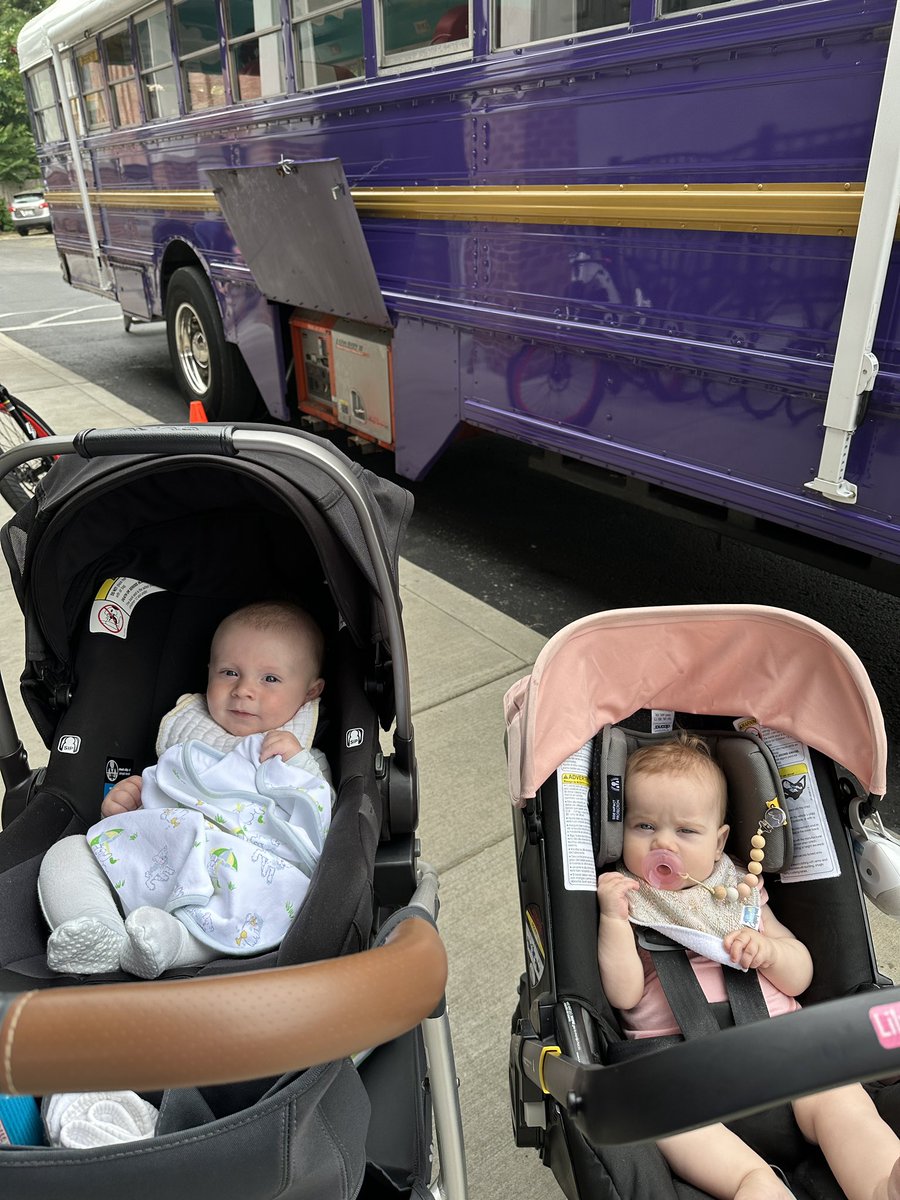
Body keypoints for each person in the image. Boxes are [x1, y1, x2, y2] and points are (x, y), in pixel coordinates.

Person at [596, 735, 900, 1200]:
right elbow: (623, 994)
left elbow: (800, 975)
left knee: (844, 1105)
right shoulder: (628, 898)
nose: (662, 842)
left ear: (719, 842)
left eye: (686, 831)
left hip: (783, 1051)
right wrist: (614, 921)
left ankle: (881, 1185)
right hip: (679, 1072)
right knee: (654, 1109)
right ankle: (756, 1185)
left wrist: (770, 951)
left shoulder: (740, 891)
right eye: (643, 825)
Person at [38, 601, 333, 980]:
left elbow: (322, 827)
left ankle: (172, 943)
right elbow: (159, 795)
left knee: (276, 897)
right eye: (229, 672)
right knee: (68, 853)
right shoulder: (185, 735)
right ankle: (98, 928)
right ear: (208, 672)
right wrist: (127, 804)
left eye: (270, 679)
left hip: (240, 875)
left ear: (310, 692)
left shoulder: (302, 756)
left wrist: (300, 769)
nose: (244, 690)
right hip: (161, 856)